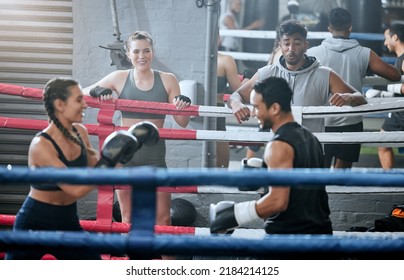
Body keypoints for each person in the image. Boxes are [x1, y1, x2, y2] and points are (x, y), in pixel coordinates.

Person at [83, 31, 191, 248]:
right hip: (126, 159)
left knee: (163, 221)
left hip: (155, 159)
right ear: (128, 53)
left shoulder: (168, 80)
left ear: (152, 52)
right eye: (136, 51)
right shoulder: (120, 77)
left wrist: (182, 103)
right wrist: (99, 90)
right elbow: (84, 91)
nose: (142, 56)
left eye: (146, 50)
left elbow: (182, 122)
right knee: (127, 218)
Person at [210, 77, 333, 235]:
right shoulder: (310, 138)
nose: (254, 113)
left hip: (289, 240)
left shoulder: (278, 146)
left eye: (256, 107)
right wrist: (265, 171)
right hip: (320, 234)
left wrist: (235, 215)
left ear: (274, 108)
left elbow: (278, 201)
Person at [6, 78, 102, 260]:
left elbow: (96, 164)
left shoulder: (80, 132)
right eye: (78, 99)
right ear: (60, 104)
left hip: (67, 219)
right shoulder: (41, 145)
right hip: (35, 222)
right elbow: (76, 189)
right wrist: (108, 166)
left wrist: (120, 154)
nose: (85, 105)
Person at [227, 19, 367, 134]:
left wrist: (349, 97)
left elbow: (360, 98)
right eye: (286, 43)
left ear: (306, 45)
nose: (291, 49)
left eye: (297, 43)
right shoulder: (268, 72)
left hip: (311, 150)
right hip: (279, 149)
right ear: (280, 45)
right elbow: (236, 95)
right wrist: (236, 104)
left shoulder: (325, 74)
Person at [306, 8, 401, 169]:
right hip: (351, 121)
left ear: (329, 28)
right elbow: (395, 75)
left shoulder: (313, 54)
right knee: (342, 177)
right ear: (350, 27)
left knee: (317, 175)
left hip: (321, 120)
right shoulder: (364, 53)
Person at [372, 23, 404, 169]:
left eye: (387, 38)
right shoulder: (400, 59)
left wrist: (383, 87)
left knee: (382, 142)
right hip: (399, 111)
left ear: (395, 37)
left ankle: (390, 183)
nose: (385, 43)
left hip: (402, 113)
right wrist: (386, 92)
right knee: (383, 143)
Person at [217, 40, 242, 167]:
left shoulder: (226, 60)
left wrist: (247, 81)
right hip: (194, 113)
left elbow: (239, 91)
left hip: (216, 113)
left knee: (220, 166)